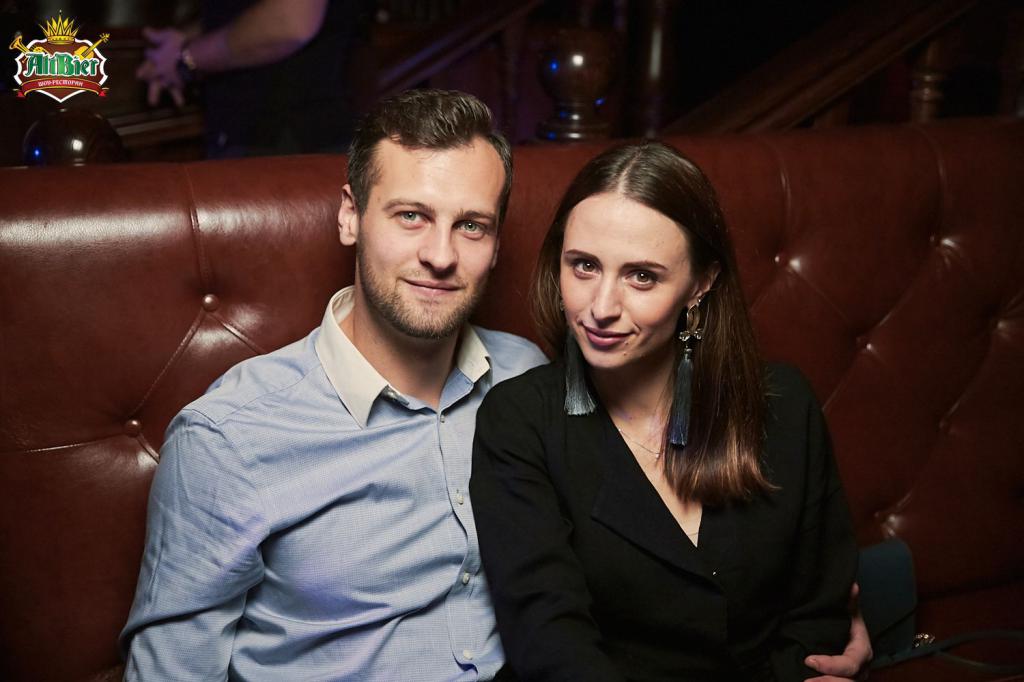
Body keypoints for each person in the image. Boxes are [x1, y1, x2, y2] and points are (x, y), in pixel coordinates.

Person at [120, 90, 870, 680]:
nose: (440, 254)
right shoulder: (232, 436)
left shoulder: (537, 377)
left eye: (472, 225)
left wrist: (830, 621)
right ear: (350, 216)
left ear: (499, 241)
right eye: (411, 216)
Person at [470, 141, 860, 681]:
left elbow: (819, 615)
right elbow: (552, 647)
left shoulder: (785, 404)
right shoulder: (520, 420)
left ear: (701, 283)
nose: (601, 308)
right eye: (584, 266)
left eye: (642, 276)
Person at [136, 0, 374, 157]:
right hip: (271, 137)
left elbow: (291, 22)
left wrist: (188, 58)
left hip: (285, 140)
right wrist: (183, 44)